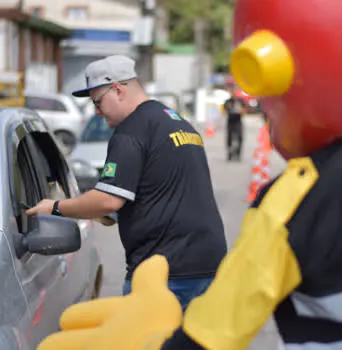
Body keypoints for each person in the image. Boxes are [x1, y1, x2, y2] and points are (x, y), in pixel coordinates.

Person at [37, 0, 342, 349]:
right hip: (203, 259)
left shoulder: (295, 203)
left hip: (167, 268)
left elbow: (212, 337)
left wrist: (152, 341)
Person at [27, 55, 227, 310]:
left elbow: (107, 199)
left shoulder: (131, 131)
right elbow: (168, 190)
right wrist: (122, 214)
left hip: (164, 272)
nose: (97, 112)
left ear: (118, 89)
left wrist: (54, 207)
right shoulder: (176, 123)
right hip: (209, 264)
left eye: (98, 102)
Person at [222, 84, 246, 161]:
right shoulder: (228, 101)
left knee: (239, 137)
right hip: (230, 121)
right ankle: (229, 154)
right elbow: (224, 110)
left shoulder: (240, 101)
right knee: (229, 138)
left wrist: (241, 110)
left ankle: (238, 154)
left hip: (238, 121)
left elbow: (244, 110)